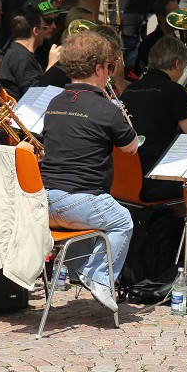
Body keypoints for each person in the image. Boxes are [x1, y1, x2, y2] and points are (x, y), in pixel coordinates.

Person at [41, 29, 140, 313]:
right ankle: (98, 276)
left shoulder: (54, 102)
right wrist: (119, 114)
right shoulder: (105, 108)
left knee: (100, 214)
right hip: (78, 202)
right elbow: (131, 147)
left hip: (45, 201)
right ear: (98, 68)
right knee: (123, 220)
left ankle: (79, 271)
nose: (110, 72)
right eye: (109, 67)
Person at [122, 36, 187, 201]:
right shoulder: (174, 90)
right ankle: (183, 225)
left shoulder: (131, 89)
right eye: (184, 67)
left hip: (126, 178)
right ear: (177, 63)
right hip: (157, 177)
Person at [0, 2, 58, 101]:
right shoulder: (21, 57)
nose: (46, 31)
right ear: (36, 31)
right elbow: (35, 97)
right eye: (43, 27)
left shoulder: (18, 53)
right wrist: (51, 65)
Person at [136, 0, 179, 75]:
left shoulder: (179, 42)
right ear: (161, 18)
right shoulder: (149, 43)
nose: (179, 18)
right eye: (174, 15)